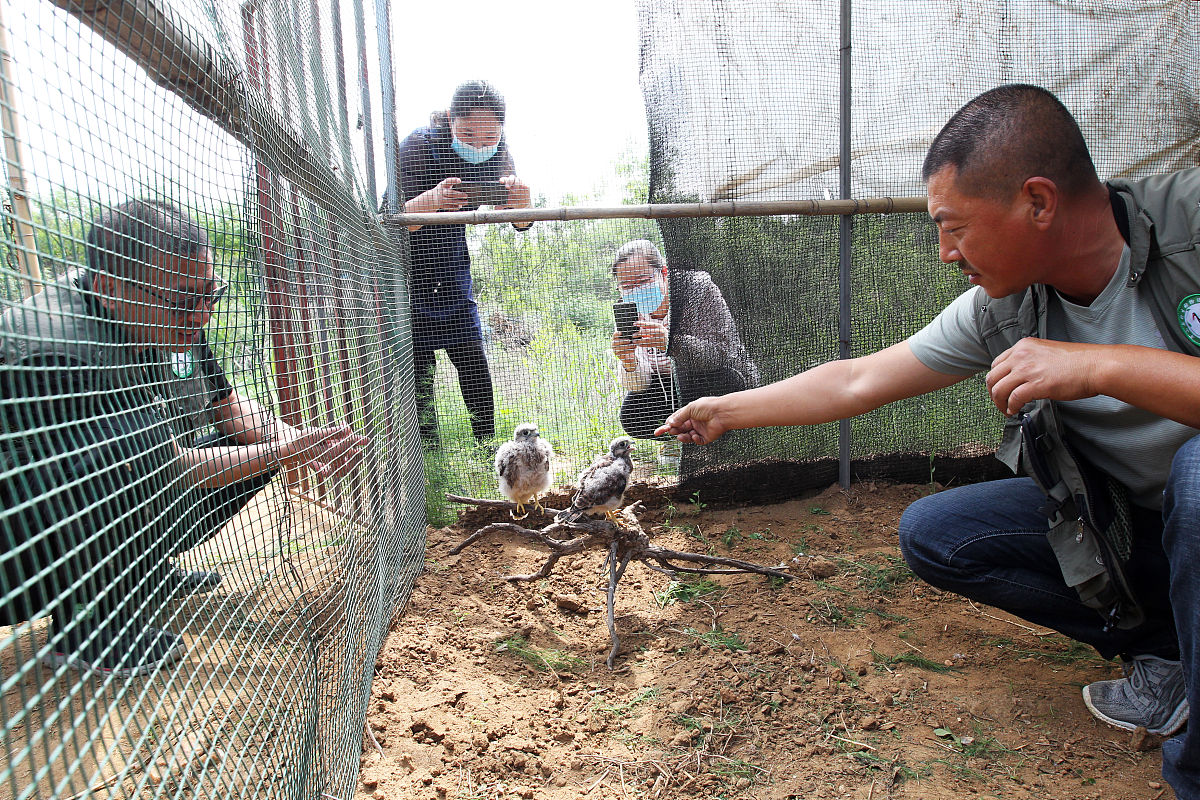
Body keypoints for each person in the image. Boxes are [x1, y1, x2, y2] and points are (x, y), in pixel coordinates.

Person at [655, 85, 1200, 797]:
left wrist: (1096, 365)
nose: (944, 253)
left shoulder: (1189, 221)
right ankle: (1167, 653)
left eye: (954, 226)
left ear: (1038, 202)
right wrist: (728, 409)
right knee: (939, 533)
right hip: (1143, 530)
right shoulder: (1005, 306)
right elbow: (857, 381)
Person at [0, 198, 367, 677]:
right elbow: (165, 463)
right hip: (19, 554)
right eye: (185, 301)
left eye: (209, 296)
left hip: (93, 500)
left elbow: (228, 404)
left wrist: (299, 440)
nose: (202, 315)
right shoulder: (56, 350)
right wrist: (280, 450)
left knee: (247, 450)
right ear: (110, 289)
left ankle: (143, 574)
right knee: (133, 447)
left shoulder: (166, 312)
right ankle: (89, 628)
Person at [394, 80, 533, 445]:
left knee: (473, 362)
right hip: (406, 274)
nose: (478, 145)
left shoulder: (501, 153)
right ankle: (428, 448)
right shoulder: (420, 145)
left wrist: (523, 203)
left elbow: (520, 223)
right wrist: (435, 200)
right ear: (451, 121)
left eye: (489, 137)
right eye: (467, 133)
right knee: (418, 372)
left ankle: (485, 445)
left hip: (453, 268)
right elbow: (392, 221)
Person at [609, 239, 758, 440]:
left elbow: (720, 355)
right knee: (632, 416)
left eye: (643, 281)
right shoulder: (627, 309)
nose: (635, 290)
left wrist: (670, 343)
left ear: (663, 273)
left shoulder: (697, 290)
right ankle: (681, 441)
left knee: (715, 380)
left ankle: (722, 440)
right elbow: (641, 386)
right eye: (626, 286)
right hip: (668, 385)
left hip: (712, 378)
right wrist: (629, 361)